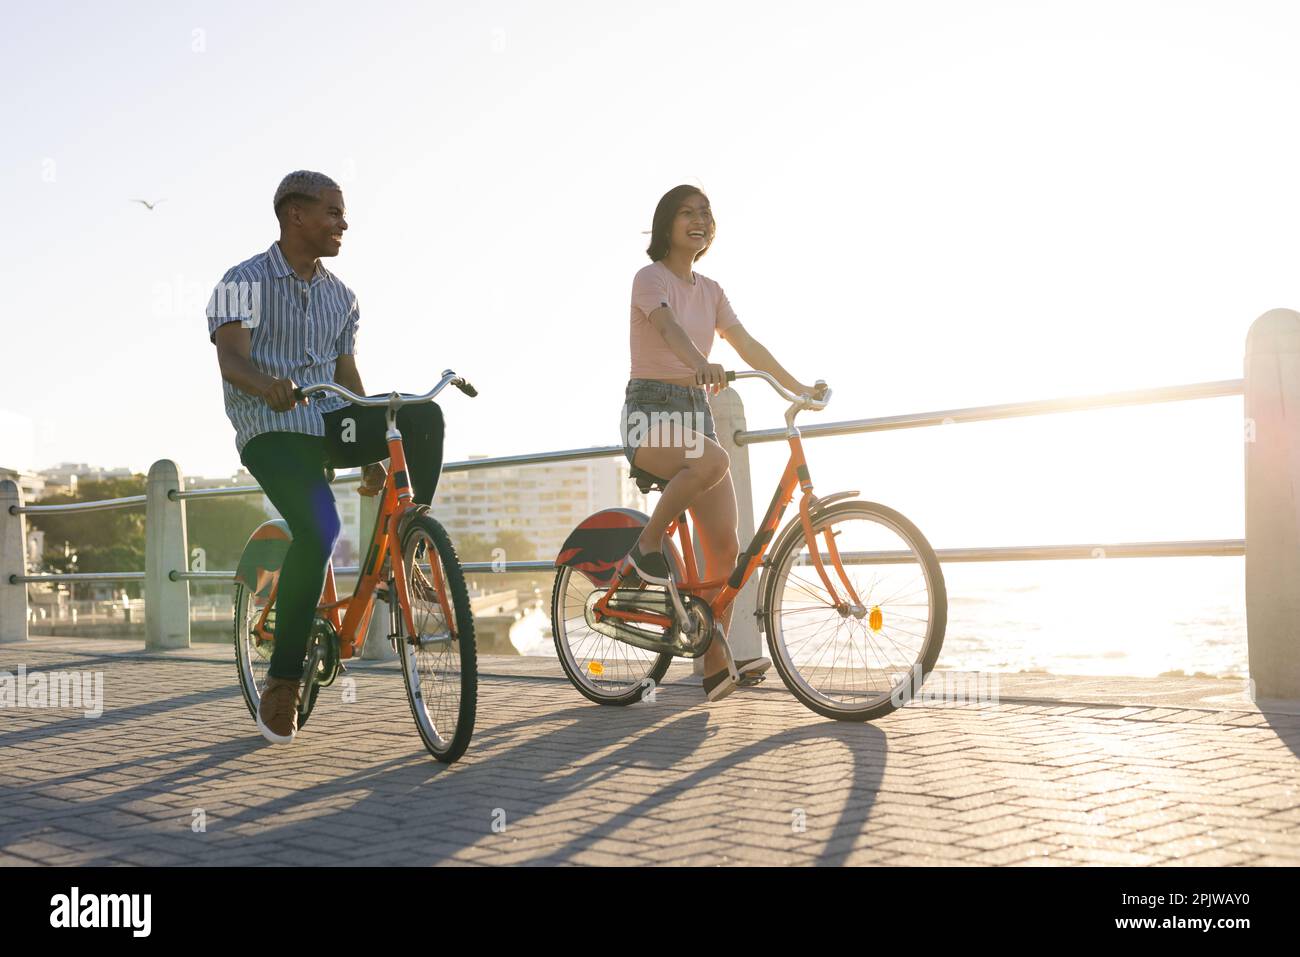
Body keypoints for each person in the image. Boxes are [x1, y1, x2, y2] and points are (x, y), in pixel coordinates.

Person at [207, 170, 445, 745]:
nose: (344, 223)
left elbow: (347, 376)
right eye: (334, 212)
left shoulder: (343, 296)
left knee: (421, 415)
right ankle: (283, 679)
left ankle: (410, 533)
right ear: (295, 215)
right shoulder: (242, 281)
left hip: (328, 422)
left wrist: (371, 445)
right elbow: (232, 362)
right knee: (320, 529)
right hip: (272, 429)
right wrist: (267, 385)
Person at [621, 185, 819, 702]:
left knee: (727, 550)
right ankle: (645, 547)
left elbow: (747, 343)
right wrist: (698, 364)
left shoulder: (711, 289)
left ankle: (712, 659)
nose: (700, 220)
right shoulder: (651, 279)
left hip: (696, 417)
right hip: (650, 415)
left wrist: (798, 387)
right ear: (666, 224)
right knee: (709, 459)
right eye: (688, 213)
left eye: (706, 213)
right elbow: (667, 330)